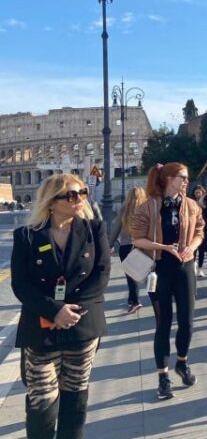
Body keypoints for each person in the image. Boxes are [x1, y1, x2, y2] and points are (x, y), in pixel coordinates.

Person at [11, 173, 110, 438]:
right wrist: (54, 310)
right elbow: (20, 285)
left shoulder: (94, 229)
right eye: (71, 195)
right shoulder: (26, 236)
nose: (78, 200)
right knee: (42, 403)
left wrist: (70, 312)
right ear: (51, 202)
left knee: (75, 402)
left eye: (82, 193)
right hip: (42, 329)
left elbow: (100, 276)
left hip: (81, 326)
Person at [131, 162, 205, 400]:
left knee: (187, 322)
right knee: (163, 323)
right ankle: (163, 377)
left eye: (186, 177)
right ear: (168, 178)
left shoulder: (191, 205)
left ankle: (182, 361)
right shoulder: (148, 207)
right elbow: (137, 239)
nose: (186, 181)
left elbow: (199, 231)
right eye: (182, 177)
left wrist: (191, 248)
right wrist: (163, 247)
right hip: (160, 268)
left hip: (184, 268)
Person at [110, 186, 148, 313]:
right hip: (144, 246)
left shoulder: (124, 210)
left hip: (126, 247)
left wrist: (109, 245)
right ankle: (157, 297)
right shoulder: (147, 208)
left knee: (131, 276)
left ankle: (134, 301)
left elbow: (115, 229)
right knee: (149, 273)